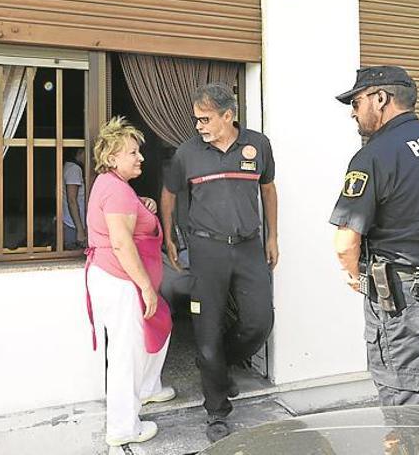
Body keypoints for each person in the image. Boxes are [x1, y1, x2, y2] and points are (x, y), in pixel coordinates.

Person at [330, 66, 419, 405]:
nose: (353, 112)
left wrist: (355, 275)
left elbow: (345, 242)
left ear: (381, 99)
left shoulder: (373, 156)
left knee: (409, 403)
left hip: (407, 297)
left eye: (356, 102)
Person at [161, 82, 278, 442]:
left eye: (205, 119)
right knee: (206, 331)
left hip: (248, 247)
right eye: (196, 119)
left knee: (259, 321)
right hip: (206, 250)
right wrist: (169, 238)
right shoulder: (187, 153)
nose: (198, 126)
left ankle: (218, 366)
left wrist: (272, 236)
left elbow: (268, 189)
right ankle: (216, 411)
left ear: (229, 116)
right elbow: (168, 193)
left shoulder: (258, 145)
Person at [84, 117, 175, 447]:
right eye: (132, 152)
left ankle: (149, 387)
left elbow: (127, 218)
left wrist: (144, 204)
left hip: (115, 278)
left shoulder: (115, 187)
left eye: (139, 152)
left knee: (159, 323)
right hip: (122, 282)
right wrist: (146, 287)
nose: (140, 158)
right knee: (126, 353)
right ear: (111, 157)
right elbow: (122, 243)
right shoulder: (117, 190)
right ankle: (123, 427)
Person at [63, 148, 87, 250]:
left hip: (70, 222)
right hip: (73, 225)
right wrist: (80, 230)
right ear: (80, 153)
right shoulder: (74, 169)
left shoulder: (68, 166)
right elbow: (72, 200)